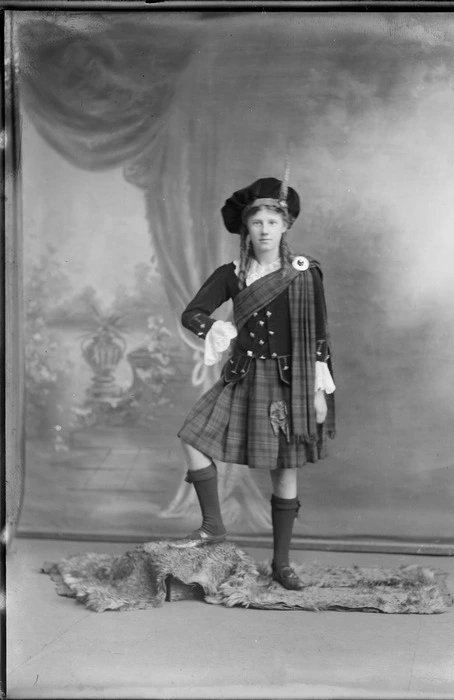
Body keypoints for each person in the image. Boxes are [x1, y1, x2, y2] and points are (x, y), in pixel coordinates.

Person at [174, 176, 336, 591]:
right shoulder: (232, 273)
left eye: (272, 221)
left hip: (289, 380)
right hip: (243, 376)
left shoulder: (303, 273)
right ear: (246, 227)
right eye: (257, 221)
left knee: (284, 469)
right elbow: (192, 313)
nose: (264, 229)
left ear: (286, 226)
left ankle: (281, 564)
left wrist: (318, 390)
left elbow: (318, 336)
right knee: (192, 438)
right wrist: (217, 329)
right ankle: (213, 527)